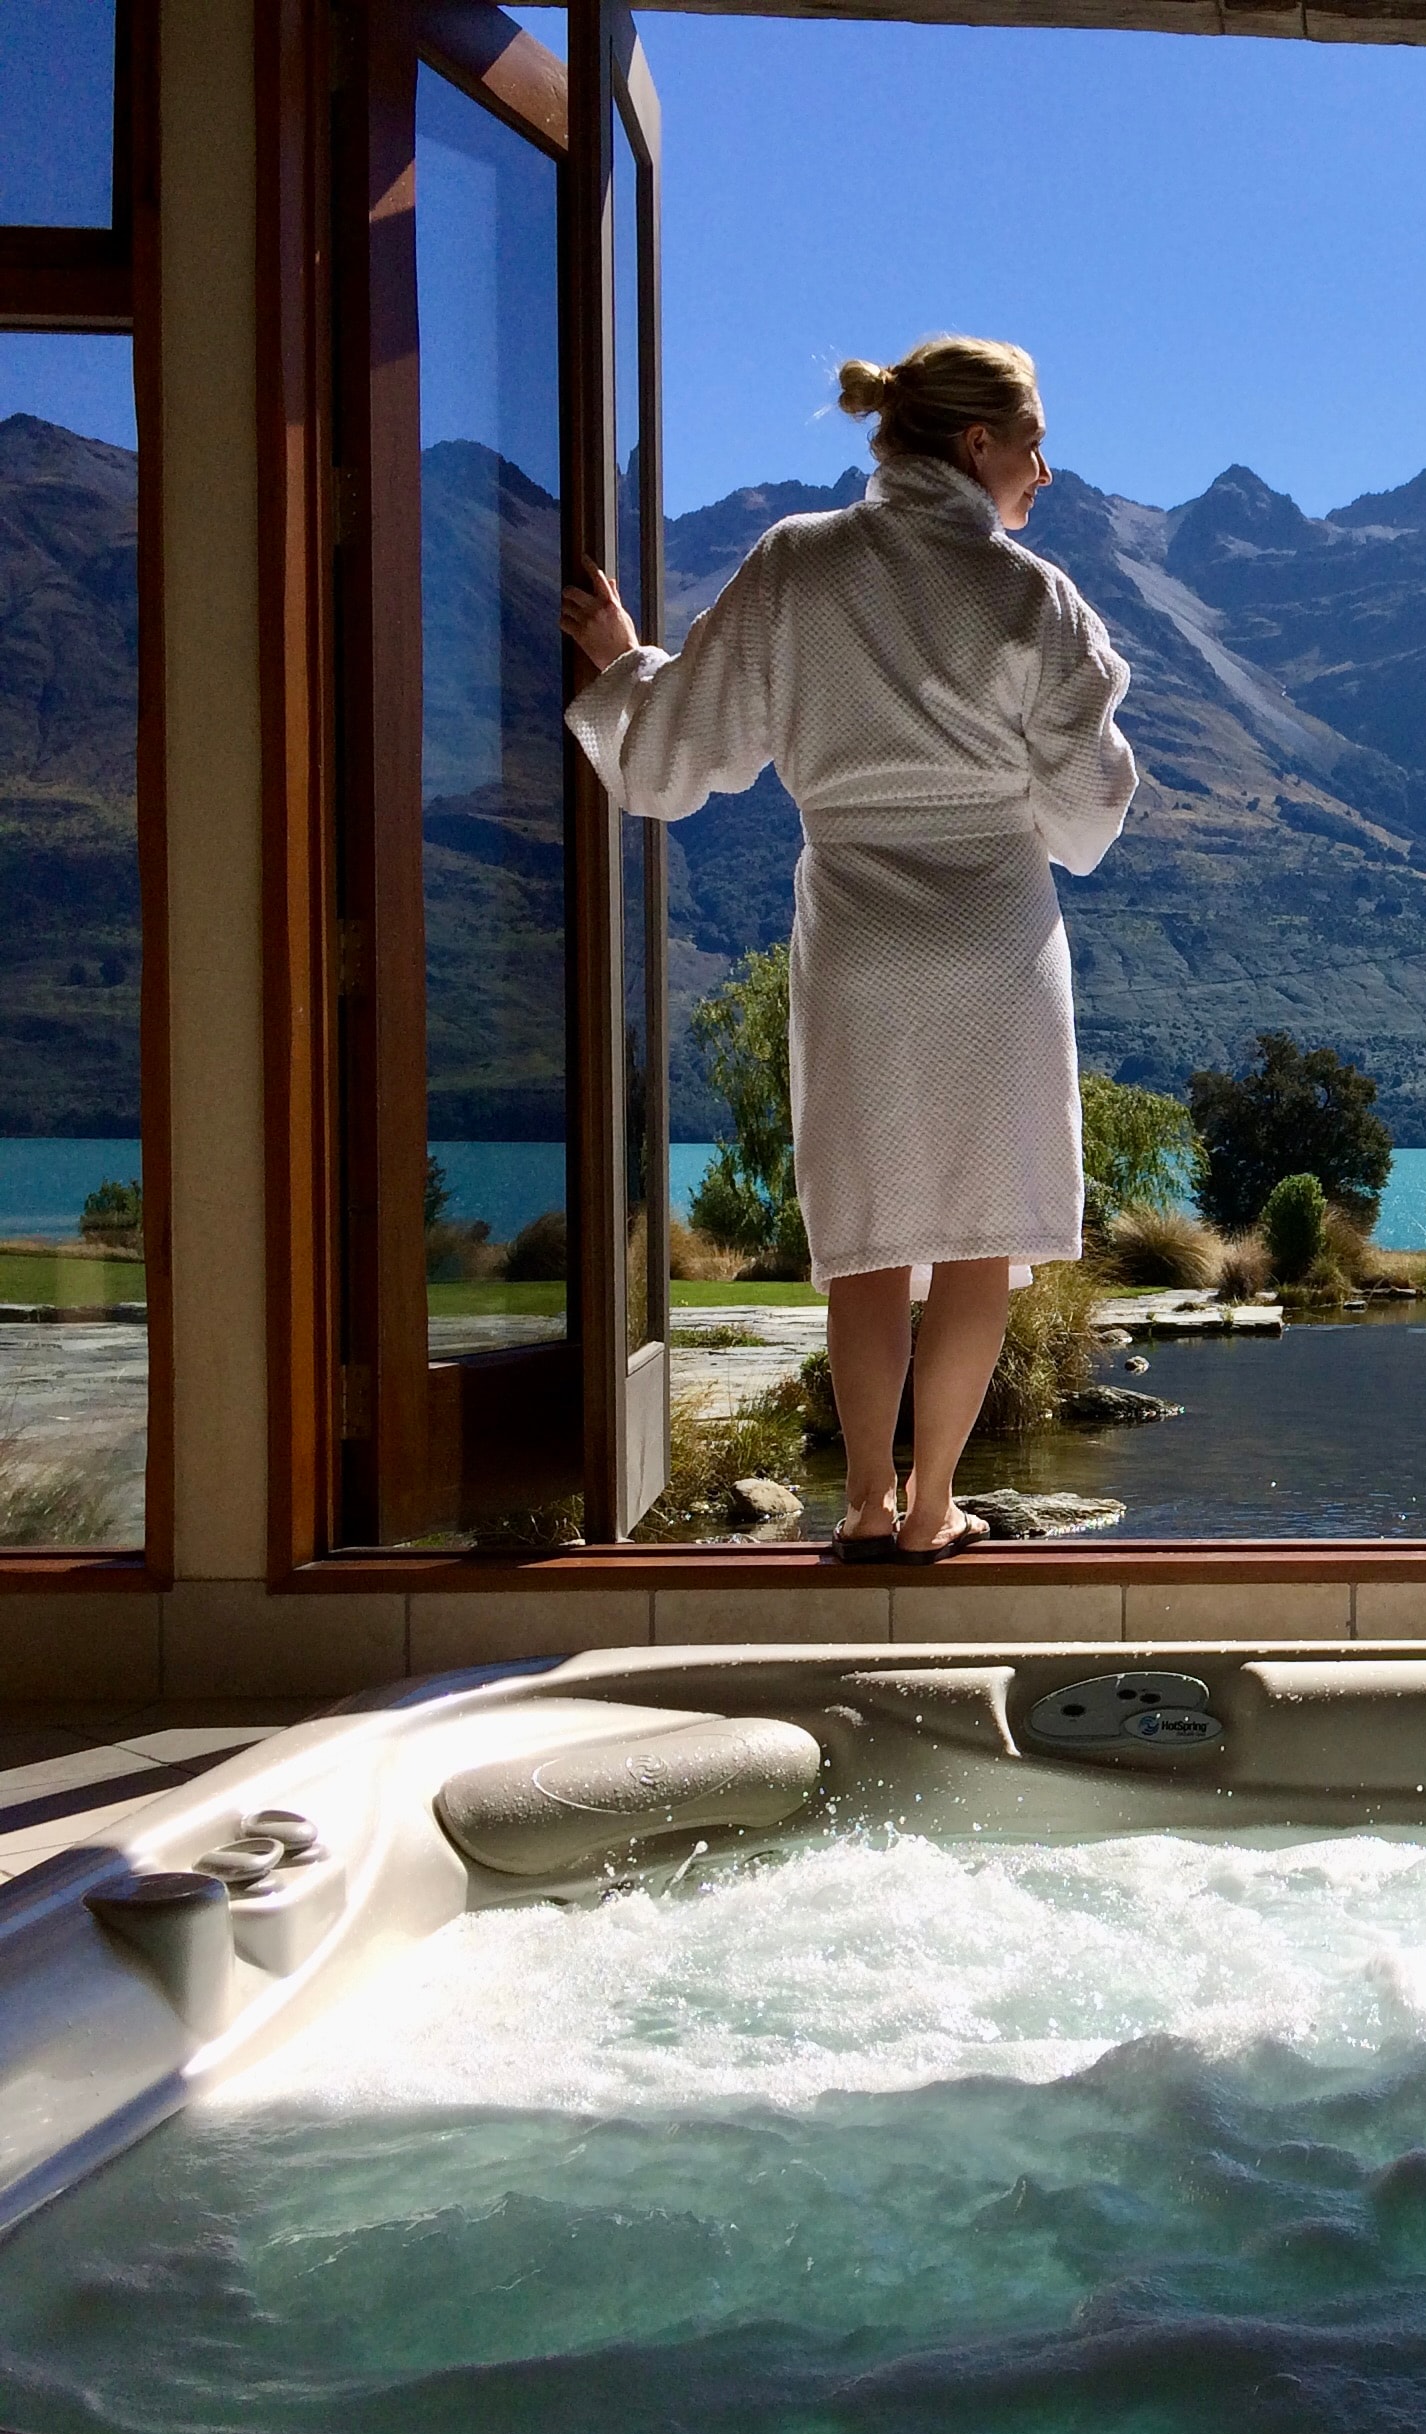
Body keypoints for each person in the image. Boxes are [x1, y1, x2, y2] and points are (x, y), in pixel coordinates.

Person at [560, 336, 1138, 1562]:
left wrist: (624, 668)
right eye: (1034, 444)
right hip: (994, 940)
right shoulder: (1034, 599)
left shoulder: (799, 565)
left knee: (871, 1235)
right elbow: (1088, 814)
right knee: (983, 1237)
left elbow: (675, 753)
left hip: (859, 940)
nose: (1045, 470)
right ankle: (935, 1512)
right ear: (976, 445)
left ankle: (865, 1501)